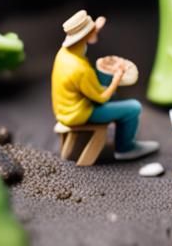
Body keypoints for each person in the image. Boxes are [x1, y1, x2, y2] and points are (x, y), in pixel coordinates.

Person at [51, 9, 158, 161]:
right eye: (92, 32)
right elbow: (101, 98)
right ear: (85, 37)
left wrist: (94, 28)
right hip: (78, 113)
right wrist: (117, 77)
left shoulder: (64, 53)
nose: (95, 33)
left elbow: (84, 40)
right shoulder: (80, 69)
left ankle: (119, 121)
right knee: (133, 107)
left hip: (64, 108)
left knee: (105, 83)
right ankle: (125, 148)